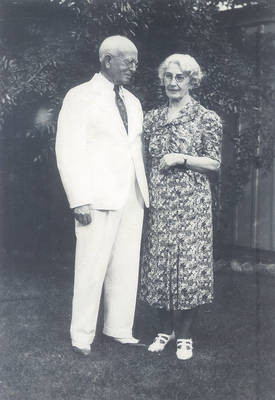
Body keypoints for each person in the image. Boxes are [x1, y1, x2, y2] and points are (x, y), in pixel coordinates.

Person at [55, 35, 149, 356]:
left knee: (125, 266)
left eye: (136, 61)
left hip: (131, 196)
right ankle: (81, 336)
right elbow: (67, 149)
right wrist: (78, 197)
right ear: (107, 60)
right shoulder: (80, 96)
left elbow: (133, 150)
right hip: (95, 197)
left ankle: (119, 329)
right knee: (91, 267)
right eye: (128, 61)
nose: (134, 67)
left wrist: (143, 192)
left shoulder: (133, 101)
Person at [140, 54, 222, 360]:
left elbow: (214, 163)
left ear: (191, 82)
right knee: (159, 266)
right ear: (162, 80)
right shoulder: (151, 119)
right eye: (169, 77)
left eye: (180, 78)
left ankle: (185, 336)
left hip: (191, 204)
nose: (173, 83)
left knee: (189, 268)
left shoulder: (207, 118)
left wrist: (182, 158)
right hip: (160, 202)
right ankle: (165, 330)